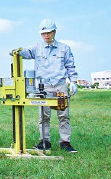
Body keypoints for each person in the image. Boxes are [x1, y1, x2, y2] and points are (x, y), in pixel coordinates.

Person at [17, 19, 78, 153]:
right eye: (43, 33)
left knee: (63, 115)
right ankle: (44, 141)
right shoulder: (36, 48)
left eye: (48, 33)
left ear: (54, 32)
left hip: (60, 85)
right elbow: (22, 52)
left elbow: (70, 66)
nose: (46, 36)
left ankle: (65, 142)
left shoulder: (64, 48)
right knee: (44, 116)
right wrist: (15, 51)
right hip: (43, 87)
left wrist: (73, 82)